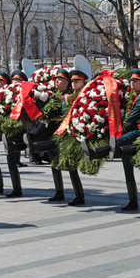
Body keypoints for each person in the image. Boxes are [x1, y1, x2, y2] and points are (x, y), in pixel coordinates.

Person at [83, 69, 140, 211]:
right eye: (131, 81)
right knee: (127, 168)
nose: (132, 83)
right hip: (125, 131)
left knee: (118, 142)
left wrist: (117, 132)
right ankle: (132, 200)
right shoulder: (130, 98)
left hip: (136, 131)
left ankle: (95, 153)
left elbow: (130, 121)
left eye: (136, 81)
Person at [24, 68, 87, 206]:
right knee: (53, 162)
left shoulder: (69, 97)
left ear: (67, 82)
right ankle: (59, 191)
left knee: (69, 163)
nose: (57, 82)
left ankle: (79, 194)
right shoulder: (54, 96)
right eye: (56, 79)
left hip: (63, 131)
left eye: (60, 79)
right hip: (52, 130)